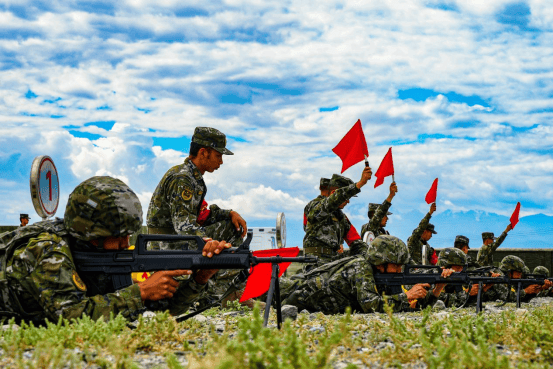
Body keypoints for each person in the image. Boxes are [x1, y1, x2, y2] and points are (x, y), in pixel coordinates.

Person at [0, 176, 229, 325]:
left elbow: (163, 310)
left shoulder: (99, 255)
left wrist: (200, 277)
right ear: (89, 232)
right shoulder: (46, 249)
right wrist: (139, 293)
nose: (125, 243)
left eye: (128, 235)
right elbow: (69, 318)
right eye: (117, 237)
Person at [146, 127, 248, 305]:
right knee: (229, 229)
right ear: (203, 152)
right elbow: (184, 227)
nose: (221, 162)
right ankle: (227, 295)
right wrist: (210, 242)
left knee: (227, 223)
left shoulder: (192, 177)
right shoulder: (183, 178)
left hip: (173, 239)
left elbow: (202, 214)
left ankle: (219, 291)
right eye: (218, 155)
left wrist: (229, 213)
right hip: (165, 244)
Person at [283, 235, 442, 314]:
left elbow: (411, 308)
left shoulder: (382, 275)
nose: (400, 270)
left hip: (312, 302)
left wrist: (437, 289)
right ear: (381, 262)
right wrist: (407, 296)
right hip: (295, 297)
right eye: (396, 265)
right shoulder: (361, 267)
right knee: (269, 293)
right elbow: (371, 305)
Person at [302, 168, 372, 272]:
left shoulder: (340, 216)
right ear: (335, 193)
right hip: (316, 266)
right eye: (346, 197)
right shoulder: (314, 207)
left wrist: (373, 256)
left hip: (334, 264)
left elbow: (355, 242)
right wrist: (359, 184)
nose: (348, 201)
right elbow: (329, 204)